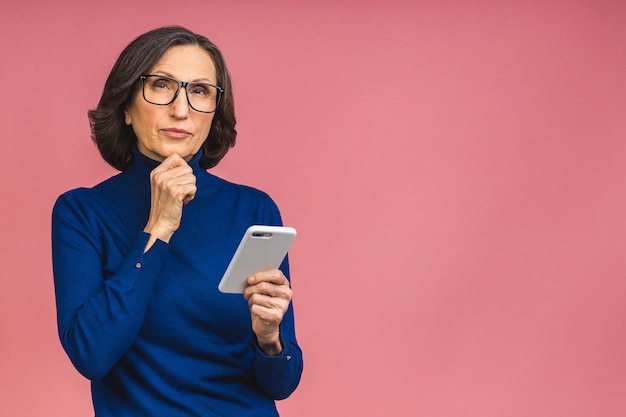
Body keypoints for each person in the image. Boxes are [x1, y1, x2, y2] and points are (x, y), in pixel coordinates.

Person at [51, 26, 303, 417]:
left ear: (214, 112)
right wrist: (158, 227)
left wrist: (269, 339)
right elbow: (91, 355)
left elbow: (281, 384)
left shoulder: (254, 210)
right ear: (125, 106)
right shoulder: (82, 212)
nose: (181, 110)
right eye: (162, 85)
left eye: (200, 91)